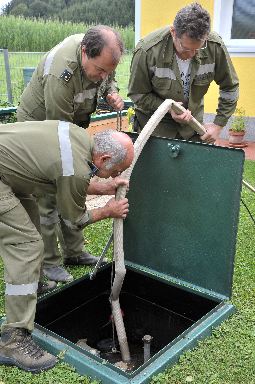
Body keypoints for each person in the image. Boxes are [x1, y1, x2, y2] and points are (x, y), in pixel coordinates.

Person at [0, 121, 134, 373]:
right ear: (104, 157)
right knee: (26, 245)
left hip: (8, 170)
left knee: (31, 225)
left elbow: (64, 178)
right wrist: (107, 210)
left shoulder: (80, 138)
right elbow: (73, 221)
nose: (117, 176)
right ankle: (13, 339)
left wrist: (101, 185)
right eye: (118, 170)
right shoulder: (76, 168)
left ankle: (32, 286)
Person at [17, 25, 125, 287]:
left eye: (108, 71)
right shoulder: (60, 73)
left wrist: (111, 91)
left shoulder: (99, 57)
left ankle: (74, 252)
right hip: (40, 131)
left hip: (70, 127)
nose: (103, 76)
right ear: (85, 52)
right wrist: (85, 167)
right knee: (49, 197)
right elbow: (58, 134)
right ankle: (50, 262)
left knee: (73, 186)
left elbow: (105, 76)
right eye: (100, 70)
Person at [128, 2, 239, 144]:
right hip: (156, 128)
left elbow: (230, 87)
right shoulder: (147, 51)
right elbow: (137, 93)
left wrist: (218, 124)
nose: (192, 54)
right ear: (173, 32)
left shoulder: (214, 46)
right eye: (186, 48)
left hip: (193, 127)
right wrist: (168, 109)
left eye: (198, 48)